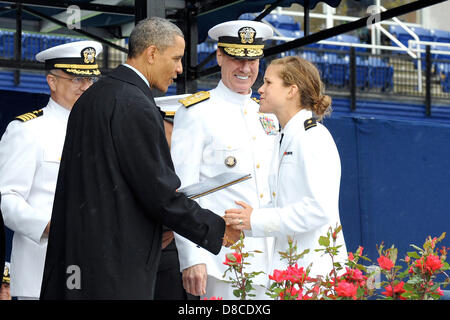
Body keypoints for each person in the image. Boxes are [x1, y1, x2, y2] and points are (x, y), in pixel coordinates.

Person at [39, 17, 239, 300]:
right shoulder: (135, 104)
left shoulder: (93, 97)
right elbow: (158, 191)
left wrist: (162, 224)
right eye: (176, 58)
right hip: (114, 270)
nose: (180, 69)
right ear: (152, 53)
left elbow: (113, 183)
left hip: (77, 265)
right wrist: (216, 229)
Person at [170, 20, 278, 299]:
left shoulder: (268, 115)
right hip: (220, 261)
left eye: (252, 60)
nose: (245, 68)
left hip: (271, 258)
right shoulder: (196, 113)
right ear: (220, 56)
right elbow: (183, 192)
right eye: (236, 59)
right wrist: (191, 257)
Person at [224, 56, 348, 279]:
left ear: (292, 91)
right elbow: (284, 204)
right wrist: (244, 224)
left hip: (314, 274)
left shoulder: (313, 138)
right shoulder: (287, 136)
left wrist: (254, 219)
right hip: (293, 270)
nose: (260, 89)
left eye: (269, 83)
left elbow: (318, 209)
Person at [0, 40, 103, 300]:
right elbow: (7, 197)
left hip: (95, 272)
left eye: (89, 80)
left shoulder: (102, 132)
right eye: (76, 78)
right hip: (42, 271)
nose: (85, 86)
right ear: (52, 81)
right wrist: (47, 227)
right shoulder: (27, 130)